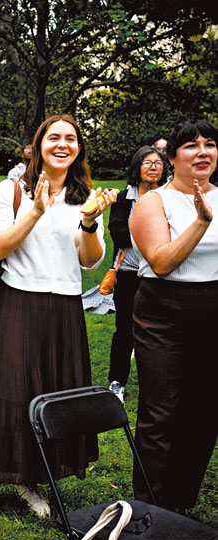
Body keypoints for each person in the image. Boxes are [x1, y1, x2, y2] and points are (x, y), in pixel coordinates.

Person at [0, 114, 115, 518]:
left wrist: (88, 221)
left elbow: (90, 261)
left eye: (71, 138)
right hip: (19, 302)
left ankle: (29, 479)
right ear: (38, 145)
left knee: (52, 391)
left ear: (78, 149)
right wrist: (35, 212)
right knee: (9, 390)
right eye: (54, 137)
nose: (62, 144)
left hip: (66, 306)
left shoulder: (84, 196)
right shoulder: (11, 190)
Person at [129, 119, 218, 511]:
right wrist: (200, 223)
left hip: (212, 309)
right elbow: (161, 262)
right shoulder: (154, 201)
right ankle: (150, 506)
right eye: (191, 145)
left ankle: (181, 502)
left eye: (210, 144)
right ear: (173, 157)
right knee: (160, 410)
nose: (203, 152)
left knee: (205, 410)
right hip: (162, 311)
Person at [105, 146, 167, 402]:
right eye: (147, 162)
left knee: (159, 331)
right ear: (137, 167)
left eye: (158, 163)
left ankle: (157, 383)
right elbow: (118, 233)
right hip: (129, 273)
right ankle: (117, 381)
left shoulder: (168, 197)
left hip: (160, 274)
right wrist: (152, 232)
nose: (153, 167)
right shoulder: (123, 199)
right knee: (124, 329)